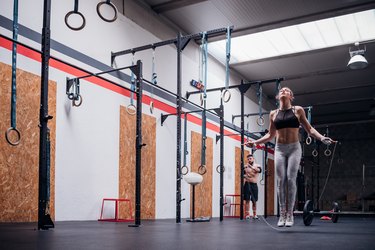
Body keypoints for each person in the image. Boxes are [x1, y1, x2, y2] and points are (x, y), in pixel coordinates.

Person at [245, 87, 335, 227]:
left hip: (294, 148)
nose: (283, 91)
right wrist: (255, 142)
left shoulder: (297, 110)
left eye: (287, 90)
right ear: (277, 96)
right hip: (280, 149)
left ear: (291, 96)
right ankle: (282, 214)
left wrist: (322, 138)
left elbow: (309, 129)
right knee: (281, 181)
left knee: (291, 179)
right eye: (281, 90)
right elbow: (270, 134)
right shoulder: (273, 113)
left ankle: (290, 214)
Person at [243, 154, 261, 220]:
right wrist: (245, 176)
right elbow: (243, 175)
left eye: (250, 158)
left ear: (253, 159)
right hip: (247, 184)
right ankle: (247, 214)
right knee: (247, 200)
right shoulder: (245, 167)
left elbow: (258, 171)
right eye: (248, 159)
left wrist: (250, 166)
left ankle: (254, 214)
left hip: (254, 185)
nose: (249, 160)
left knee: (254, 200)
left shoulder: (257, 166)